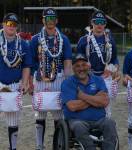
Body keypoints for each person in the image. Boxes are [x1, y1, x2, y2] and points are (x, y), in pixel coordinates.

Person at [30, 8, 72, 150]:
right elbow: (30, 62)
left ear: (57, 20)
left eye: (52, 19)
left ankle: (58, 145)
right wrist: (32, 79)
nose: (50, 21)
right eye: (47, 19)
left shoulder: (63, 39)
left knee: (58, 115)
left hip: (58, 79)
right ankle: (39, 146)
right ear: (43, 20)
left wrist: (68, 81)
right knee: (40, 115)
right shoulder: (35, 39)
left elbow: (67, 62)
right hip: (40, 79)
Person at [61, 53, 119, 150]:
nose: (81, 68)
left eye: (84, 65)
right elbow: (72, 106)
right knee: (79, 126)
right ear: (73, 68)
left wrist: (83, 96)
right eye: (77, 66)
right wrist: (95, 98)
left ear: (88, 66)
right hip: (77, 120)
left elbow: (104, 101)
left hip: (100, 119)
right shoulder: (68, 83)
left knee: (110, 123)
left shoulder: (98, 80)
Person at [77, 10, 120, 117]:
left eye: (102, 22)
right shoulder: (84, 40)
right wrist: (84, 67)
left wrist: (112, 69)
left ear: (105, 23)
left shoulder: (110, 40)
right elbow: (77, 61)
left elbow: (115, 60)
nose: (99, 24)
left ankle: (104, 130)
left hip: (105, 77)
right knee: (88, 104)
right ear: (92, 23)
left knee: (105, 107)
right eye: (97, 22)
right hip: (89, 77)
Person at [0, 13, 32, 150]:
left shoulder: (23, 44)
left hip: (14, 85)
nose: (12, 26)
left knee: (13, 120)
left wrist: (25, 83)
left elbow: (26, 66)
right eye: (9, 24)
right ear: (3, 24)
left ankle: (12, 147)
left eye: (14, 24)